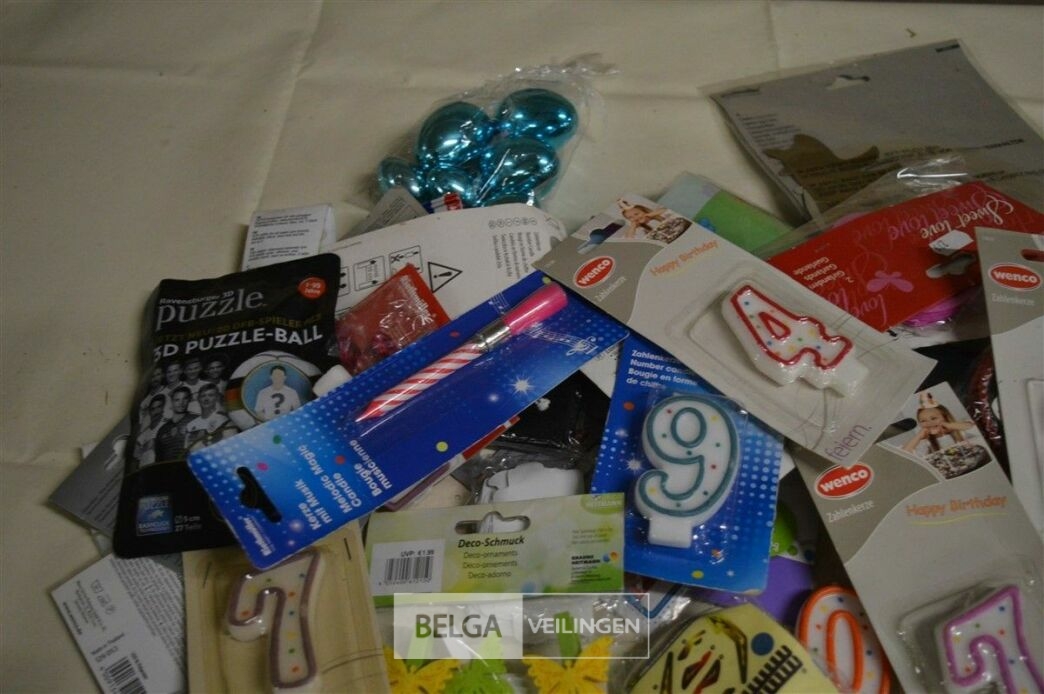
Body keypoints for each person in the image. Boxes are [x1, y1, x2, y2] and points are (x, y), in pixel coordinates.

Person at [902, 392, 974, 455]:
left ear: (945, 417)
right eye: (923, 421)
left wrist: (948, 425)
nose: (929, 423)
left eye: (933, 418)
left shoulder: (960, 431)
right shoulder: (925, 443)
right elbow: (904, 453)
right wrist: (919, 436)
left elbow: (972, 427)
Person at [184, 383, 238, 452]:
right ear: (199, 399)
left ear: (216, 398)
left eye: (210, 395)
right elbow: (187, 451)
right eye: (203, 396)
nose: (206, 399)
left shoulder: (225, 421)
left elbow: (231, 448)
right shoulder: (190, 425)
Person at [154, 386, 191, 461]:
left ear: (189, 400)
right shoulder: (162, 430)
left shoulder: (195, 420)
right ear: (172, 402)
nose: (181, 403)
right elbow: (158, 458)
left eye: (185, 399)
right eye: (177, 400)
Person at [134, 394, 167, 466]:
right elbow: (136, 454)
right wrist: (146, 447)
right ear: (149, 412)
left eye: (159, 407)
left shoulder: (167, 425)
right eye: (153, 409)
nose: (156, 411)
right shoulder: (145, 433)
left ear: (163, 408)